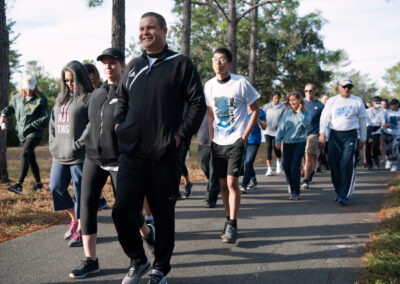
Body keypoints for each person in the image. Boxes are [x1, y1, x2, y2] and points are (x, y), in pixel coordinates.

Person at [112, 12, 206, 284]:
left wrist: (177, 138)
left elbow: (197, 104)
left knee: (163, 216)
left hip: (163, 156)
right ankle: (138, 259)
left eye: (151, 28)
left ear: (164, 31)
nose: (145, 33)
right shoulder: (132, 65)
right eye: (142, 29)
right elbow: (122, 99)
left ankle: (160, 268)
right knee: (122, 211)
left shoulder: (180, 64)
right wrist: (120, 124)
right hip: (131, 153)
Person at [69, 48, 156, 279]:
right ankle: (91, 261)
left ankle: (147, 233)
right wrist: (79, 143)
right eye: (105, 63)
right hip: (93, 158)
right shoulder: (96, 95)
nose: (109, 66)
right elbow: (91, 125)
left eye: (113, 62)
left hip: (121, 160)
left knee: (126, 211)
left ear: (122, 66)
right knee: (85, 206)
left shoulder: (131, 92)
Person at [205, 47, 260, 244]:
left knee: (231, 183)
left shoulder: (241, 83)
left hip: (236, 140)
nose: (218, 63)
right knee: (222, 185)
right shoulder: (209, 85)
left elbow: (255, 110)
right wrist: (211, 138)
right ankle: (228, 221)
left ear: (229, 64)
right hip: (218, 142)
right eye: (215, 60)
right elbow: (211, 114)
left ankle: (234, 224)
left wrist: (244, 135)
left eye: (222, 60)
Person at [49, 60, 93, 247]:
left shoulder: (88, 98)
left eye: (72, 80)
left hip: (79, 155)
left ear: (80, 78)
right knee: (56, 187)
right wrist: (53, 144)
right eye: (66, 80)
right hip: (59, 154)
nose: (69, 84)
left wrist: (78, 144)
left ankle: (82, 228)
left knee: (80, 193)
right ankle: (74, 219)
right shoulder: (61, 98)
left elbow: (92, 124)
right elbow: (52, 124)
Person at [319, 78, 367, 205]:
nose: (346, 89)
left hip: (351, 135)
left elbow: (362, 121)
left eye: (349, 87)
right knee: (334, 165)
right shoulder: (332, 101)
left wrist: (363, 138)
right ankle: (339, 190)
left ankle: (344, 194)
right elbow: (324, 117)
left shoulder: (357, 101)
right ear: (339, 87)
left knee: (346, 163)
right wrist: (322, 133)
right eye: (344, 86)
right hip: (335, 135)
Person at [1, 75, 49, 194]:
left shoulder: (40, 99)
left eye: (31, 87)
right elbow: (9, 109)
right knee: (30, 157)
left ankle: (19, 185)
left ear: (35, 86)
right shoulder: (17, 98)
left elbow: (45, 117)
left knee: (25, 152)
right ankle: (39, 184)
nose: (29, 90)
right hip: (22, 132)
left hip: (35, 132)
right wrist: (3, 115)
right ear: (23, 86)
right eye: (27, 87)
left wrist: (32, 125)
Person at [275, 92, 310, 200]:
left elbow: (306, 124)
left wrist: (299, 113)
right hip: (287, 143)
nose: (292, 102)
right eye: (290, 101)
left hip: (299, 142)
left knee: (295, 167)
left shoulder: (306, 112)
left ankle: (295, 192)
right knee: (286, 167)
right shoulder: (287, 114)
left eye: (294, 100)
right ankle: (291, 183)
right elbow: (281, 128)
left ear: (300, 100)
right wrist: (277, 140)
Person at [84, 63, 108, 210]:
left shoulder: (102, 90)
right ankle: (99, 199)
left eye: (92, 79)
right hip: (86, 138)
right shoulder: (82, 93)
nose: (90, 82)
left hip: (102, 138)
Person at [301, 83, 324, 190]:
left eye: (310, 91)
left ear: (314, 91)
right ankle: (310, 171)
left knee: (309, 154)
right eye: (306, 91)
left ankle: (306, 179)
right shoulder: (301, 103)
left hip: (314, 133)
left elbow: (324, 122)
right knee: (303, 156)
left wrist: (323, 135)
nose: (308, 93)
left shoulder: (320, 106)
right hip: (300, 134)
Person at [196, 109, 221, 208]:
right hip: (202, 142)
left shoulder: (217, 104)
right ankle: (215, 185)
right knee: (204, 165)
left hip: (217, 141)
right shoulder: (200, 104)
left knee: (213, 171)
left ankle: (211, 198)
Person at [240, 103, 266, 193]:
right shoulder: (242, 109)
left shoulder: (260, 112)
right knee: (246, 163)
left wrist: (257, 119)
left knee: (248, 162)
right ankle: (254, 179)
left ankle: (244, 185)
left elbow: (264, 127)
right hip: (242, 140)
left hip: (254, 140)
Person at [262, 91, 285, 176]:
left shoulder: (282, 107)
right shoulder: (267, 106)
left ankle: (278, 163)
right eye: (275, 98)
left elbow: (284, 118)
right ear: (272, 98)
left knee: (277, 148)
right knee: (268, 148)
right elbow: (263, 115)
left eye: (278, 98)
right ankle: (269, 169)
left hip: (277, 131)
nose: (276, 99)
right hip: (268, 130)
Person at [365, 96, 385, 169]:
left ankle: (376, 161)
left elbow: (383, 121)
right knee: (368, 147)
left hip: (377, 130)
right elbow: (367, 123)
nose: (378, 105)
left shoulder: (381, 111)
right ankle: (369, 163)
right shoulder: (367, 111)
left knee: (376, 146)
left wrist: (384, 124)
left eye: (379, 102)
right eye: (377, 103)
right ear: (372, 103)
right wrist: (369, 135)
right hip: (368, 129)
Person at [382, 99, 400, 172]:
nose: (391, 106)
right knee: (388, 149)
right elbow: (383, 123)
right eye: (390, 105)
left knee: (395, 148)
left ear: (397, 104)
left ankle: (394, 164)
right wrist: (385, 125)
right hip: (388, 133)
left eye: (392, 104)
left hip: (398, 133)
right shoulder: (387, 113)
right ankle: (389, 160)